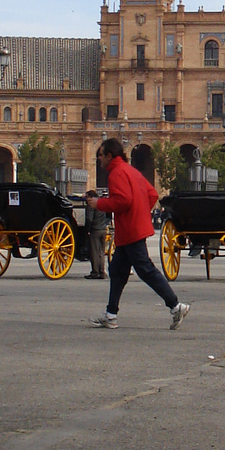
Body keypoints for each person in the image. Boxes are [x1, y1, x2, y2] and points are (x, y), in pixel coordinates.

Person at [86, 139, 188, 330]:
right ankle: (111, 314)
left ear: (110, 156)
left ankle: (175, 306)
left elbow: (123, 201)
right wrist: (140, 213)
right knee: (117, 271)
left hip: (130, 230)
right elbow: (152, 195)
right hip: (132, 229)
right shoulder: (132, 171)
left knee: (145, 270)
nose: (98, 158)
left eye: (100, 154)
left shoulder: (116, 173)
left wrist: (99, 203)